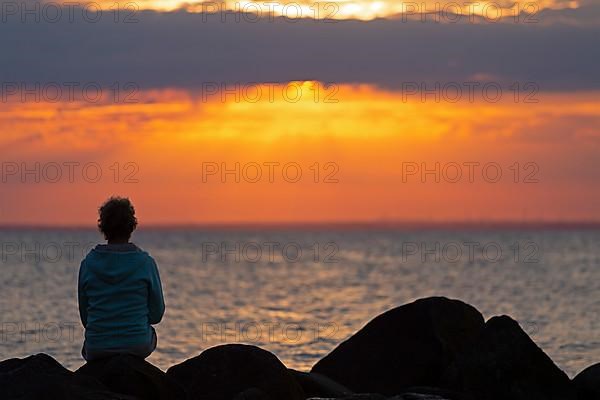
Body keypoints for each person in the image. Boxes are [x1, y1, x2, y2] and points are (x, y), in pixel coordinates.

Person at [78, 196, 164, 361]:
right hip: (137, 344)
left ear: (103, 227)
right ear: (131, 226)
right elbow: (156, 315)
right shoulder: (145, 263)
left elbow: (85, 317)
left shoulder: (88, 264)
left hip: (97, 347)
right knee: (151, 333)